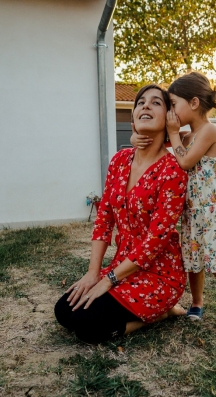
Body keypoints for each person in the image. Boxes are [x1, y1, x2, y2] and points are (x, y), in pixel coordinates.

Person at [54, 84, 188, 344]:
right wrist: (94, 273)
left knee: (88, 328)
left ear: (169, 119)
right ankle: (149, 310)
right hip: (121, 267)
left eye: (156, 103)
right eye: (140, 103)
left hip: (159, 276)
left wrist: (110, 280)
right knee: (64, 312)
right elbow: (104, 218)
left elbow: (156, 239)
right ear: (134, 120)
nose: (145, 106)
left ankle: (163, 313)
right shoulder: (119, 160)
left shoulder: (173, 170)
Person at [165, 71, 216, 340]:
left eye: (173, 104)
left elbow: (186, 161)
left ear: (192, 103)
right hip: (193, 214)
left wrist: (173, 135)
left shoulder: (209, 131)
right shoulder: (187, 135)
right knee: (194, 263)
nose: (171, 112)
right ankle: (197, 303)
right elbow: (152, 139)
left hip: (212, 214)